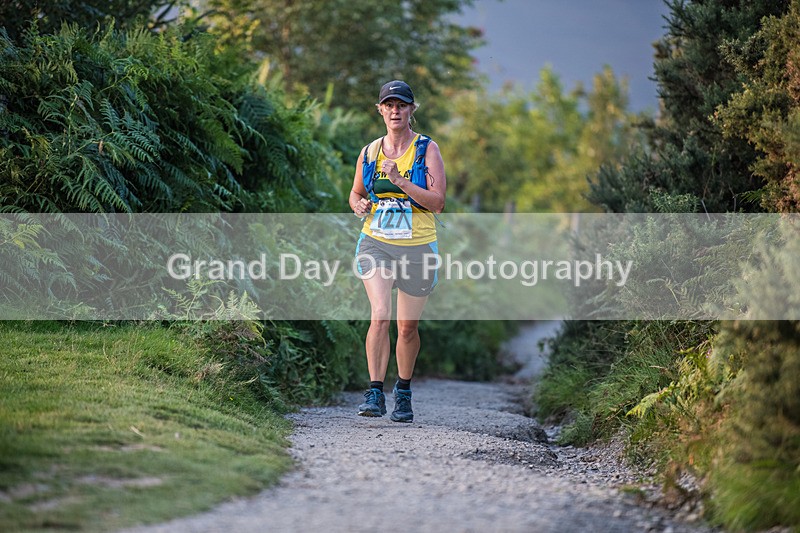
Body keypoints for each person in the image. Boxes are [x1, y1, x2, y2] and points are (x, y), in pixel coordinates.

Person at [349, 80, 446, 423]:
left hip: (417, 245)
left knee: (406, 327)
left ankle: (402, 391)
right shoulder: (370, 151)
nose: (395, 110)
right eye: (388, 105)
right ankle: (375, 391)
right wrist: (358, 204)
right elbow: (356, 192)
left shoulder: (426, 150)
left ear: (411, 110)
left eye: (401, 105)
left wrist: (402, 181)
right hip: (375, 241)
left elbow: (438, 203)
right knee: (380, 314)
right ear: (380, 110)